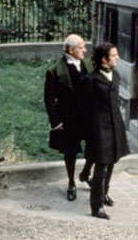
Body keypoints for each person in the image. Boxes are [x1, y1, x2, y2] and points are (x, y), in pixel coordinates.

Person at [44, 34, 93, 202]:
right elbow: (49, 99)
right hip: (69, 118)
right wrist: (55, 122)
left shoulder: (89, 64)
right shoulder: (55, 70)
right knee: (70, 151)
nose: (85, 50)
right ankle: (72, 182)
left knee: (95, 146)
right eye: (81, 47)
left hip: (88, 115)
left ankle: (86, 173)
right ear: (71, 50)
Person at [83, 42, 129, 220]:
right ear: (104, 59)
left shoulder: (115, 75)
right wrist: (90, 133)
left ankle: (104, 194)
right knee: (101, 166)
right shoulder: (90, 80)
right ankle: (97, 206)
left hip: (115, 126)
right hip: (99, 129)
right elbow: (85, 109)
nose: (117, 58)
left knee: (111, 163)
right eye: (114, 55)